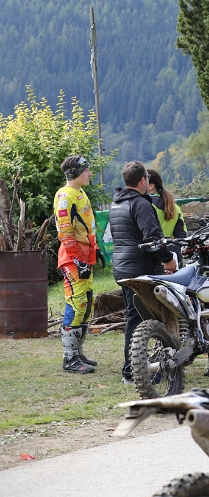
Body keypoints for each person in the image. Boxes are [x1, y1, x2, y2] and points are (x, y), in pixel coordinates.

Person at [109, 161, 176, 384]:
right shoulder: (140, 203)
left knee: (135, 317)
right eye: (147, 178)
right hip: (140, 268)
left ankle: (138, 367)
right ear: (142, 181)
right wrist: (168, 259)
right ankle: (133, 370)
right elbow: (153, 238)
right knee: (144, 318)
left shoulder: (117, 203)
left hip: (122, 266)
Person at [54, 155, 99, 374]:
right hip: (74, 260)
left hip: (85, 258)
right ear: (77, 173)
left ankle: (77, 352)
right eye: (87, 170)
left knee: (87, 303)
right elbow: (65, 232)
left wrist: (94, 252)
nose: (90, 174)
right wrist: (78, 259)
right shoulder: (65, 196)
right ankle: (69, 358)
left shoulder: (80, 193)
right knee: (76, 303)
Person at [147, 169, 186, 247]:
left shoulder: (145, 205)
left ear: (151, 186)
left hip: (149, 251)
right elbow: (181, 235)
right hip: (168, 251)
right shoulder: (175, 207)